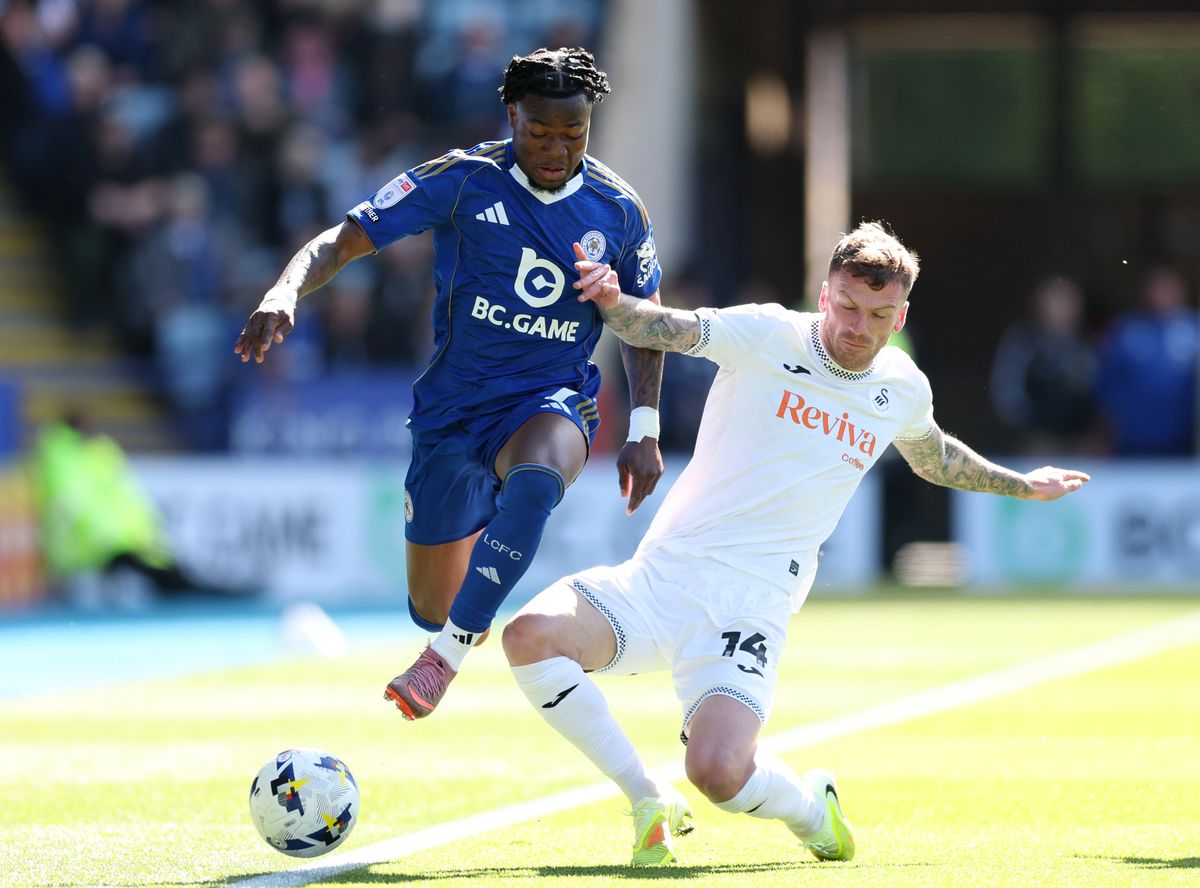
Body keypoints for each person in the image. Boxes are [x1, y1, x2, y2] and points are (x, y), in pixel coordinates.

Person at [502, 223, 1091, 866]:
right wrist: (614, 301)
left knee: (719, 774)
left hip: (754, 602)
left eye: (878, 313)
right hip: (666, 572)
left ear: (901, 314)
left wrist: (1020, 486)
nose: (858, 327)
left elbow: (935, 456)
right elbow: (659, 327)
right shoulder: (767, 332)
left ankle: (813, 811)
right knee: (529, 634)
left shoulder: (901, 386)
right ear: (823, 293)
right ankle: (647, 796)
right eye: (846, 306)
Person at [233, 47, 666, 720]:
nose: (557, 148)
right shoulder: (463, 180)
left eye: (573, 134)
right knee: (432, 604)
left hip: (551, 400)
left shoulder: (618, 211)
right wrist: (285, 290)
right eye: (540, 131)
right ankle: (453, 618)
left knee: (535, 480)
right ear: (512, 115)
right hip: (454, 414)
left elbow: (647, 322)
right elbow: (342, 239)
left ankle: (446, 658)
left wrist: (644, 428)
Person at [1094, 266, 1198, 457]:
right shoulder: (1126, 330)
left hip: (1184, 440)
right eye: (1158, 288)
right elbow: (1106, 382)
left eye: (1168, 289)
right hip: (1133, 440)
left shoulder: (1194, 330)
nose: (1162, 295)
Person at [990, 275, 1097, 454]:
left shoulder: (1086, 345)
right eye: (1055, 300)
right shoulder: (1023, 342)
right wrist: (1026, 424)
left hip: (1081, 443)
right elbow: (1007, 389)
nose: (1061, 307)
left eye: (1068, 300)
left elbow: (1098, 390)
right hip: (1039, 441)